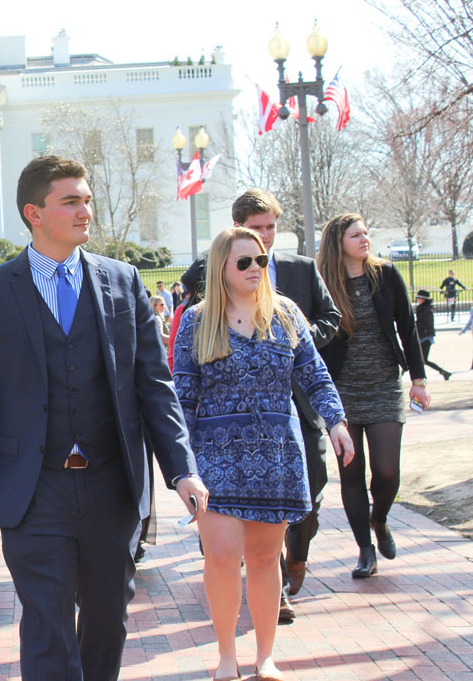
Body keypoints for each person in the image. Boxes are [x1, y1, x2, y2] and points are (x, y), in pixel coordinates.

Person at [0, 155, 207, 680]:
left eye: (87, 199)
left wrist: (182, 469)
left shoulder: (123, 281)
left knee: (107, 622)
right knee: (46, 626)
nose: (85, 210)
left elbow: (154, 386)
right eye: (70, 201)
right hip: (34, 490)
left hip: (113, 486)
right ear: (34, 213)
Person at [173, 227, 352, 681]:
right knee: (220, 555)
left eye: (262, 260)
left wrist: (336, 422)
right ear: (222, 268)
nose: (256, 268)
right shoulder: (196, 321)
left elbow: (315, 375)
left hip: (275, 454)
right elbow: (183, 395)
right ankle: (227, 654)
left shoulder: (286, 314)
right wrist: (181, 467)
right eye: (244, 262)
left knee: (263, 558)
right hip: (215, 456)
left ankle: (265, 656)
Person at [316, 213, 430, 579]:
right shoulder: (325, 283)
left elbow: (408, 329)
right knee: (351, 473)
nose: (364, 239)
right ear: (339, 242)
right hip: (341, 391)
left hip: (383, 385)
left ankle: (379, 518)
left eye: (366, 233)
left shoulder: (386, 275)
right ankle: (365, 551)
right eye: (356, 235)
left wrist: (419, 379)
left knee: (386, 470)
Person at [414, 290, 452, 381]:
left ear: (424, 299)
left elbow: (427, 323)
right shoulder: (422, 308)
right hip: (422, 336)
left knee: (422, 359)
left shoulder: (426, 310)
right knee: (421, 359)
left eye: (419, 298)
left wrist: (415, 325)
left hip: (425, 337)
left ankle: (443, 372)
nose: (417, 300)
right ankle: (444, 372)